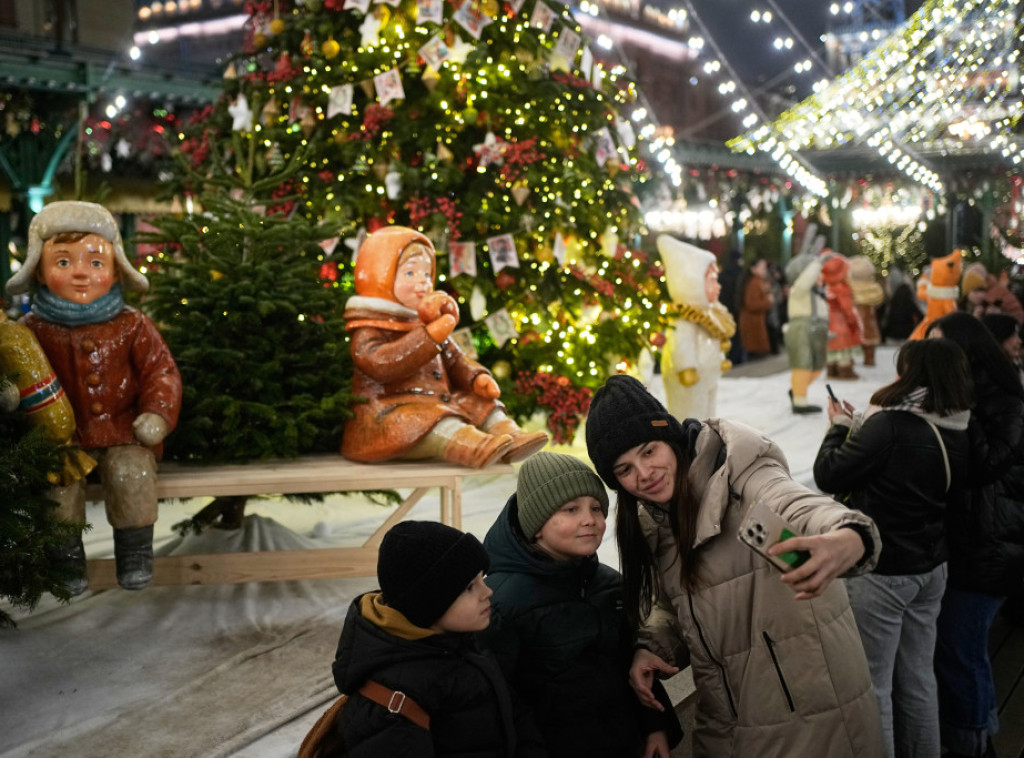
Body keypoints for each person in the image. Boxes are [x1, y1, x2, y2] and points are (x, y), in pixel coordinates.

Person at [584, 374, 884, 757]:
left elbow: (792, 504)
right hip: (726, 724)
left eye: (648, 451)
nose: (643, 474)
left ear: (670, 439)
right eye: (624, 470)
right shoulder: (657, 522)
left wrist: (847, 536)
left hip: (807, 720)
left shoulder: (740, 482)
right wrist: (654, 645)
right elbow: (681, 604)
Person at [4, 200, 182, 592]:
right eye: (64, 263)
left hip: (122, 430)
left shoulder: (132, 324)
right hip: (60, 438)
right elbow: (15, 369)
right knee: (58, 485)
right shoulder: (30, 329)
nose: (81, 273)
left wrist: (156, 413)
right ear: (39, 271)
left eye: (95, 263)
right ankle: (66, 556)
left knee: (130, 474)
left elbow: (161, 370)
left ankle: (135, 552)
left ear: (116, 270)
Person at [813, 339, 973, 758]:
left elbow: (829, 473)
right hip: (932, 567)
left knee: (874, 684)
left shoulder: (890, 426)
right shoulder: (957, 426)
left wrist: (839, 427)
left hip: (883, 571)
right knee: (919, 678)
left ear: (913, 375)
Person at [481, 452, 683, 758]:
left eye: (597, 508)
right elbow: (497, 702)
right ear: (536, 524)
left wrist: (655, 725)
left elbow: (632, 664)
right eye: (571, 509)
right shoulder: (501, 602)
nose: (589, 519)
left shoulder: (608, 584)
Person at [329, 520, 547, 757]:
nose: (487, 592)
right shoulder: (391, 702)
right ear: (428, 604)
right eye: (469, 588)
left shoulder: (466, 642)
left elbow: (513, 714)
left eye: (482, 579)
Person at [341, 226, 547, 468]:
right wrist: (429, 336)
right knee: (429, 419)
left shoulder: (426, 320)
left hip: (436, 401)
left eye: (427, 274)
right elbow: (379, 364)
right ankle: (474, 446)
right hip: (387, 413)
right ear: (380, 277)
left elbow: (454, 358)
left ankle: (508, 433)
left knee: (476, 402)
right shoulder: (369, 328)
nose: (423, 282)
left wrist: (475, 377)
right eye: (410, 273)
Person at [927, 311, 1024, 757]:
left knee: (960, 655)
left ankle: (973, 745)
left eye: (940, 350)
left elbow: (984, 465)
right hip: (969, 545)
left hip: (988, 552)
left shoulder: (1003, 400)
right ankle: (980, 735)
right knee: (962, 653)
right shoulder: (972, 395)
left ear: (967, 352)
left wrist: (954, 406)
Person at [656, 235, 735, 422]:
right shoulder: (684, 317)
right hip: (691, 380)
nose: (718, 286)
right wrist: (686, 367)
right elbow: (681, 344)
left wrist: (720, 359)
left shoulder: (712, 313)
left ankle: (706, 439)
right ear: (692, 284)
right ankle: (690, 445)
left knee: (707, 413)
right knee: (689, 413)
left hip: (708, 376)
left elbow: (717, 338)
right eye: (712, 281)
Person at [822, 252, 863, 379]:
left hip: (829, 321)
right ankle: (845, 371)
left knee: (832, 349)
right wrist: (853, 321)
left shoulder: (827, 288)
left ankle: (831, 369)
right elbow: (847, 308)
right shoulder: (842, 288)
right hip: (841, 322)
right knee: (843, 350)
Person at [737, 257, 773, 359]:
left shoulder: (756, 282)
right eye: (762, 267)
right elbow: (752, 304)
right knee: (757, 355)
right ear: (753, 269)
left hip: (753, 322)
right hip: (753, 324)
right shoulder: (754, 283)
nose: (765, 270)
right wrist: (768, 301)